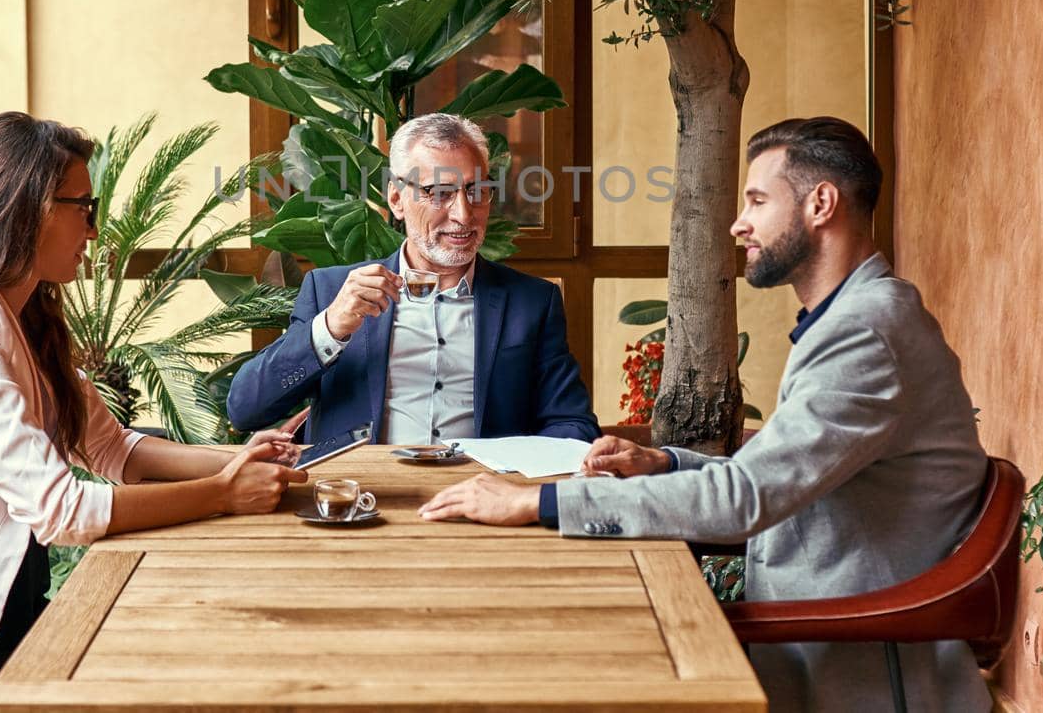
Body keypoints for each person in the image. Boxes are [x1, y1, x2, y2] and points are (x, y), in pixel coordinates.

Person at [418, 117, 990, 713]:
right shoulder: (858, 318)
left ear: (821, 204)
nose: (739, 223)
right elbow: (779, 473)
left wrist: (537, 502)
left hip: (853, 660)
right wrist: (663, 461)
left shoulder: (866, 333)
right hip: (811, 637)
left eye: (758, 200)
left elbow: (745, 498)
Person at [0, 112, 308, 713]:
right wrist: (223, 493)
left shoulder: (22, 317)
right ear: (31, 209)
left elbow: (114, 450)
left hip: (5, 625)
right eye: (85, 209)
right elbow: (59, 511)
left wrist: (240, 460)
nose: (94, 231)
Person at [227, 113, 599, 446]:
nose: (463, 214)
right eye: (439, 192)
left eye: (476, 191)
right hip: (361, 499)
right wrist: (330, 328)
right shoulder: (330, 291)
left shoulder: (531, 302)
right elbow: (245, 409)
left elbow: (571, 424)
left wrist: (518, 484)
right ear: (396, 198)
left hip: (480, 501)